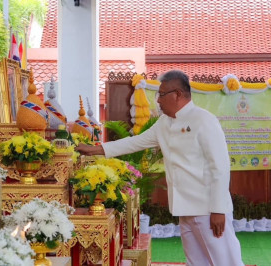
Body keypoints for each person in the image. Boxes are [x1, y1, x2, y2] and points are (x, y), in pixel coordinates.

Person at [75, 70, 244, 266]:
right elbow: (135, 142)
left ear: (178, 94)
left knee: (225, 262)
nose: (158, 101)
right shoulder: (164, 123)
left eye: (162, 95)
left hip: (208, 210)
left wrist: (218, 209)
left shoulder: (204, 120)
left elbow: (220, 168)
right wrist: (95, 150)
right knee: (197, 263)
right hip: (184, 209)